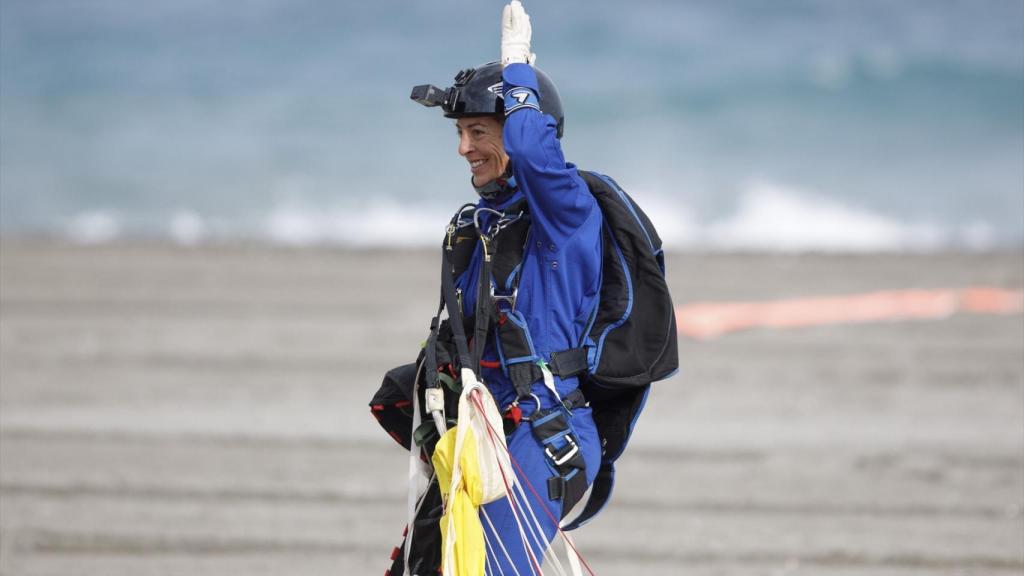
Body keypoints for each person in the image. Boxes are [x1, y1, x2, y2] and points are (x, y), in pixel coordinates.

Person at [408, 1, 604, 572]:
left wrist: (517, 69)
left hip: (547, 436)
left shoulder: (565, 216)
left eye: (478, 132)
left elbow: (539, 158)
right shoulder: (486, 226)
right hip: (487, 434)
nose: (463, 148)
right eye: (460, 132)